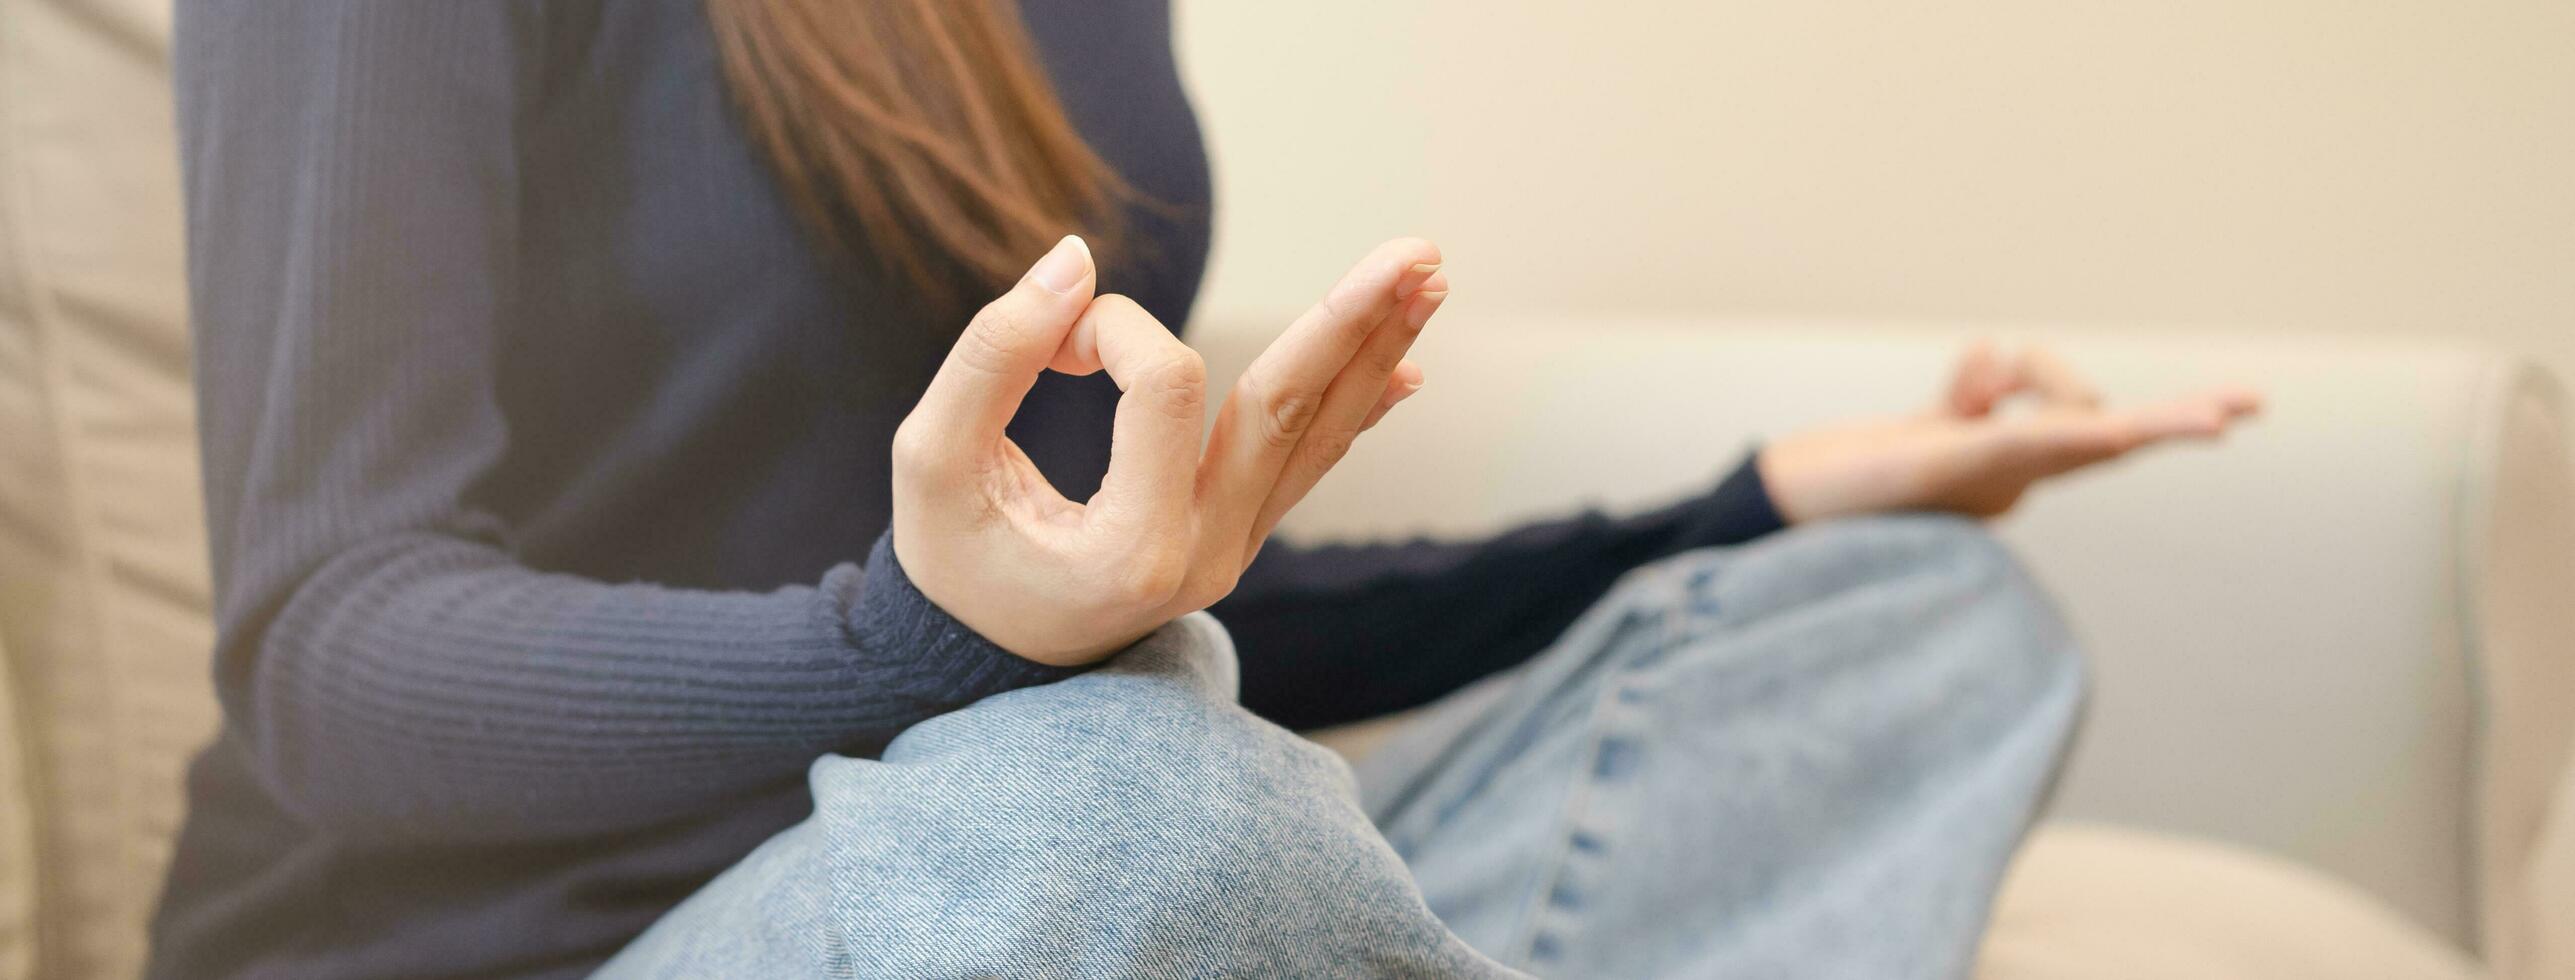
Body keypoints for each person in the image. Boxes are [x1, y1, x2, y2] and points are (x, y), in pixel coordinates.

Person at [151, 2, 2257, 977]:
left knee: (1913, 623)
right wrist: (911, 637)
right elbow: (334, 657)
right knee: (1154, 804)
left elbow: (1116, 595)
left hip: (1040, 833)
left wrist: (1758, 508)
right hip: (518, 932)